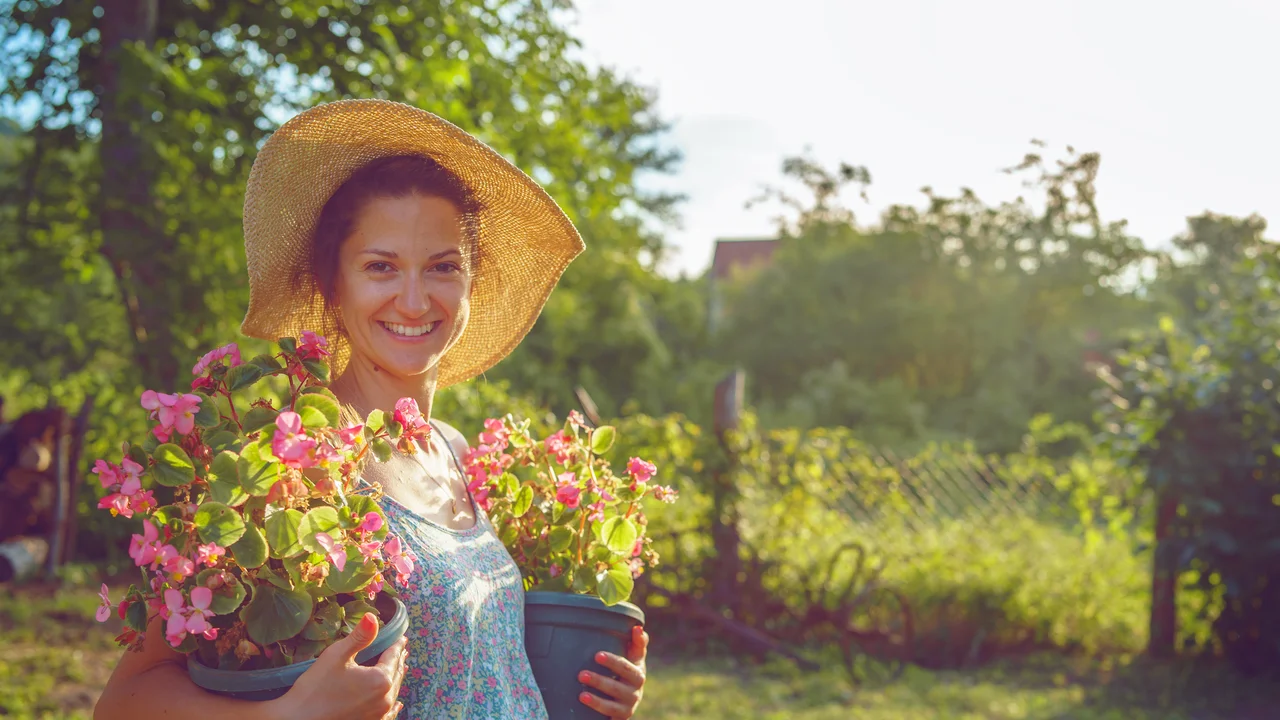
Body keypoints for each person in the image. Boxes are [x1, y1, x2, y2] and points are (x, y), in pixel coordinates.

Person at [95, 99, 649, 719]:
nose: (413, 301)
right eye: (381, 267)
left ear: (472, 283)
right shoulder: (291, 470)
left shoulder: (452, 449)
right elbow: (125, 701)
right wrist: (281, 717)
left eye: (443, 267)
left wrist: (595, 683)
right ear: (333, 285)